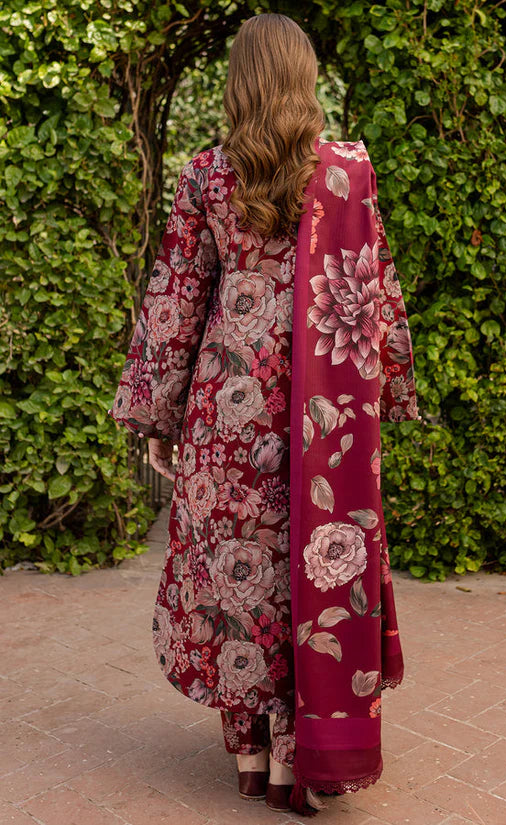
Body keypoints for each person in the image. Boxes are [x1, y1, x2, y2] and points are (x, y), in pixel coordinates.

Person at [109, 12, 420, 817]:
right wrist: (383, 394)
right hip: (317, 412)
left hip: (229, 406)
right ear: (303, 78)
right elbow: (374, 288)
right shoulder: (347, 172)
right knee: (298, 576)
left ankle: (250, 756)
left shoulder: (207, 174)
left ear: (239, 81)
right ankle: (292, 758)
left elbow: (175, 298)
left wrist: (157, 416)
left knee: (236, 574)